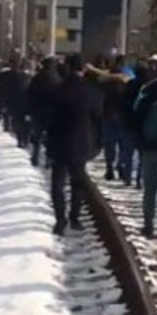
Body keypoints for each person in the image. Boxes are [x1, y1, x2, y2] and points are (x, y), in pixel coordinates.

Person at [45, 55, 103, 235]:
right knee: (78, 181)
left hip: (60, 142)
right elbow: (98, 118)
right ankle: (75, 217)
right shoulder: (92, 91)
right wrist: (97, 141)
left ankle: (60, 219)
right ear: (83, 69)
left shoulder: (58, 89)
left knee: (58, 183)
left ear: (68, 67)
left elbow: (50, 117)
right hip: (82, 142)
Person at [129, 63, 157, 238]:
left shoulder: (147, 96)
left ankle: (148, 225)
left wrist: (140, 142)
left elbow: (135, 120)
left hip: (150, 150)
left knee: (150, 191)